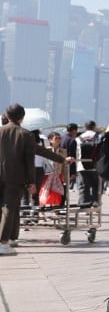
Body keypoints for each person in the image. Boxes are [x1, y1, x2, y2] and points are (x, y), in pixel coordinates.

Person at [0, 104, 67, 254]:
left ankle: (11, 238)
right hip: (15, 178)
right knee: (10, 208)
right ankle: (3, 243)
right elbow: (31, 159)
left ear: (7, 116)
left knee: (12, 208)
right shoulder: (26, 135)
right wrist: (31, 182)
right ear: (22, 118)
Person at [77, 121, 102, 207]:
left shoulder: (79, 138)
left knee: (83, 186)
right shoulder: (99, 137)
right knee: (96, 186)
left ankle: (84, 205)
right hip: (96, 166)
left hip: (81, 165)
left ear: (85, 127)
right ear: (94, 126)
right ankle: (96, 204)